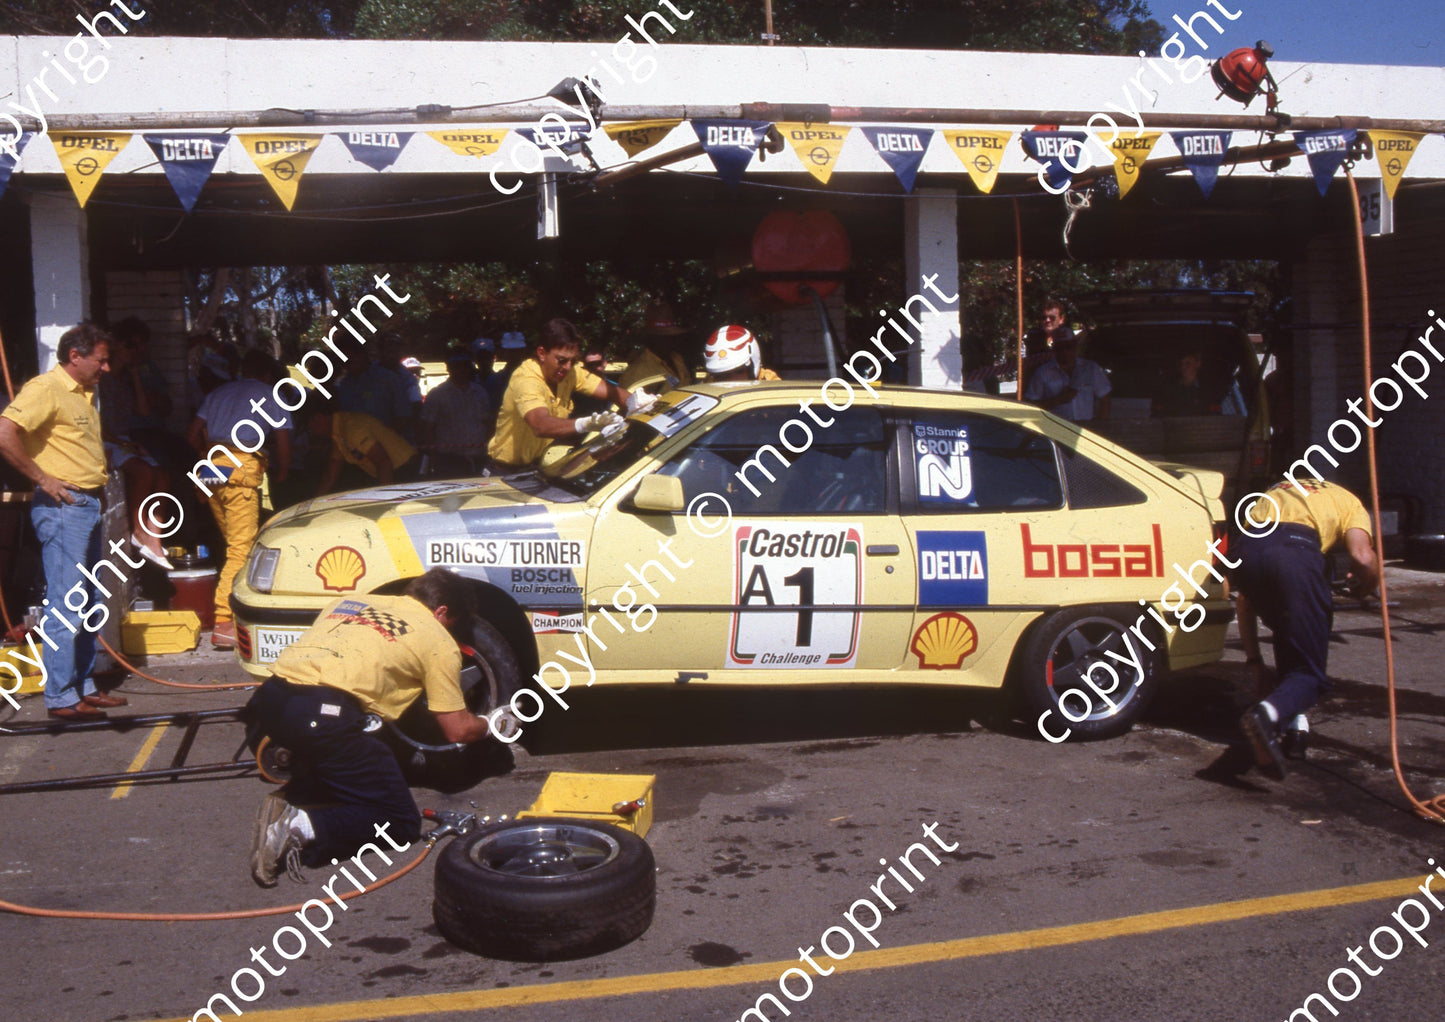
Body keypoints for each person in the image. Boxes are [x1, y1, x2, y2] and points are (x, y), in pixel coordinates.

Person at [242, 569, 492, 886]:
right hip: (321, 718)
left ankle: (296, 794)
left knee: (351, 756)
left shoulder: (352, 601)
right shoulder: (438, 640)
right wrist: (490, 724)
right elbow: (458, 730)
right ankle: (297, 824)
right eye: (452, 624)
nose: (450, 632)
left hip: (270, 701)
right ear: (441, 611)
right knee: (400, 822)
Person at [0, 323, 131, 719]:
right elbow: (6, 433)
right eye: (101, 360)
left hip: (86, 504)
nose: (106, 368)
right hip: (62, 509)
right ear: (75, 356)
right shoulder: (45, 388)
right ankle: (60, 696)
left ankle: (83, 685)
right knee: (66, 604)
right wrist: (42, 479)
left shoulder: (85, 393)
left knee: (88, 601)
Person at [1234, 478, 1378, 779]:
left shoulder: (1276, 490)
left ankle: (1293, 726)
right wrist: (1370, 583)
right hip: (1296, 552)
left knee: (1290, 635)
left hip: (1246, 550)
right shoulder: (1352, 502)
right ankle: (1267, 714)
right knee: (1310, 674)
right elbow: (1362, 557)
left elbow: (1244, 602)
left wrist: (1255, 662)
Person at [187, 349, 294, 650]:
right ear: (269, 375)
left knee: (234, 547)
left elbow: (192, 433)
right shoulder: (271, 395)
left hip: (211, 467)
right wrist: (284, 471)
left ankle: (235, 610)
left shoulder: (219, 392)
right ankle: (223, 620)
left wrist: (203, 459)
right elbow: (283, 441)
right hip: (241, 469)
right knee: (240, 549)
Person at [487, 318, 638, 471]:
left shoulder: (570, 371)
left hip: (538, 468)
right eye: (562, 360)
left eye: (572, 361)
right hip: (504, 471)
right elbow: (541, 425)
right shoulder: (526, 379)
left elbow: (613, 393)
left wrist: (637, 402)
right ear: (541, 353)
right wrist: (585, 424)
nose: (567, 368)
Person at [308, 398, 419, 495]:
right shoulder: (339, 432)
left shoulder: (352, 429)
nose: (312, 433)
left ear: (318, 419)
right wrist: (315, 502)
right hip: (393, 472)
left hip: (404, 471)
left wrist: (387, 498)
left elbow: (384, 463)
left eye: (310, 428)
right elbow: (330, 474)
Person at [419, 346, 493, 478]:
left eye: (464, 365)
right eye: (456, 366)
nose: (461, 370)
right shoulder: (437, 395)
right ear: (448, 367)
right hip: (449, 460)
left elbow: (489, 424)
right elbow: (427, 428)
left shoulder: (480, 393)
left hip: (479, 458)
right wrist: (434, 456)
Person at [334, 336, 414, 437]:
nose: (346, 364)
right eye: (342, 361)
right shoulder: (344, 385)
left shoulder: (387, 379)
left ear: (361, 355)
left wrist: (382, 437)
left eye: (350, 359)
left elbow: (404, 417)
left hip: (391, 445)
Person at [1023, 332, 1111, 423]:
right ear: (1054, 349)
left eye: (1068, 347)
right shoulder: (1042, 372)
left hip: (1087, 428)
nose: (1064, 352)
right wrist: (1058, 400)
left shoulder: (1090, 368)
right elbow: (1031, 406)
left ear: (1075, 347)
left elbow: (1104, 398)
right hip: (1056, 427)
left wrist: (1101, 423)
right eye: (1060, 348)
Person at [619, 300, 692, 393]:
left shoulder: (677, 361)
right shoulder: (638, 371)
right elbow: (630, 403)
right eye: (664, 337)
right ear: (651, 338)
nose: (672, 341)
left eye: (673, 336)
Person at [703, 324, 781, 383]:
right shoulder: (707, 389)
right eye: (722, 376)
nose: (730, 381)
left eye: (738, 371)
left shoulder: (769, 383)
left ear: (752, 367)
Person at [484, 331, 529, 415]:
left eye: (517, 351)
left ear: (523, 351)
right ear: (504, 352)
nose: (514, 355)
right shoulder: (495, 381)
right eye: (511, 351)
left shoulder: (533, 377)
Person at [1154, 350, 1211, 417]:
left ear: (1198, 364)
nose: (1183, 367)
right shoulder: (1169, 389)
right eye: (1181, 364)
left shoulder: (1206, 389)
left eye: (1187, 363)